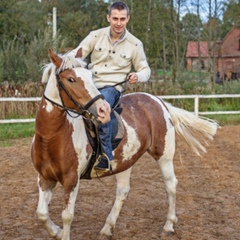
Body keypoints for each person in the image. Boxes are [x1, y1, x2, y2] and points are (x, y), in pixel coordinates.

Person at [71, 1, 151, 172]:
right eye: (115, 18)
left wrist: (138, 75)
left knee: (102, 108)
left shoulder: (135, 44)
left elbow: (145, 69)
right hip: (90, 85)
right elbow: (77, 54)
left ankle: (105, 156)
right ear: (108, 18)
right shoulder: (95, 36)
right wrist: (62, 62)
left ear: (128, 19)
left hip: (112, 88)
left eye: (122, 19)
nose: (118, 23)